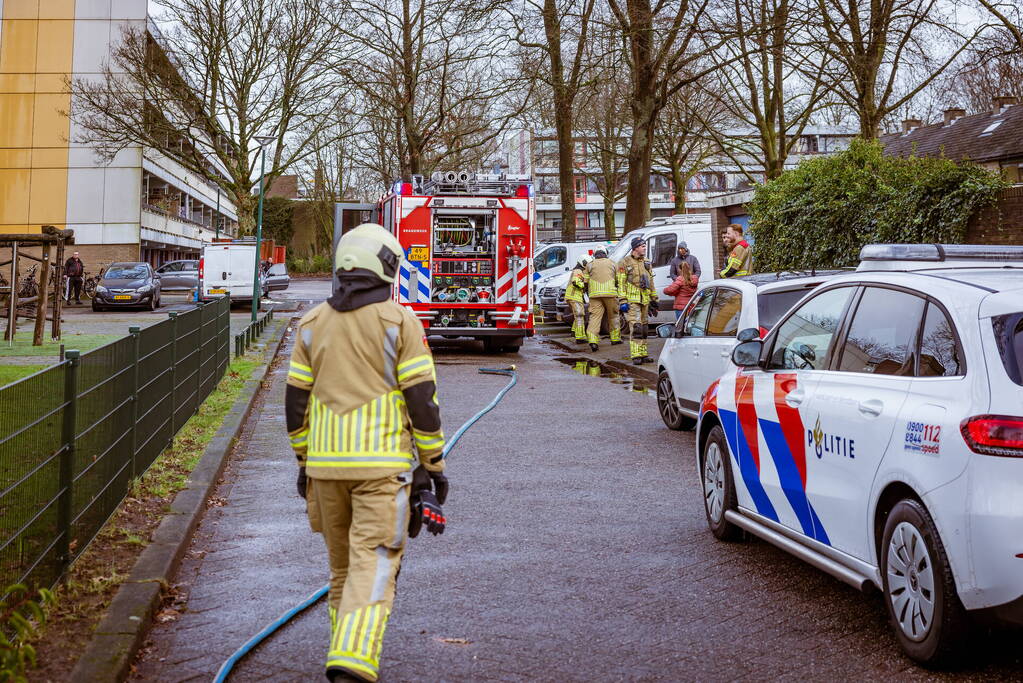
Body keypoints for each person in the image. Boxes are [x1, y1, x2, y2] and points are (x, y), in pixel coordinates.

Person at [286, 223, 448, 683]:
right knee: (374, 562)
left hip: (324, 470)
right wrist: (432, 465)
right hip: (381, 469)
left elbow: (295, 404)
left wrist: (304, 464)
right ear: (385, 267)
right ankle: (353, 662)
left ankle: (345, 649)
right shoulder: (400, 321)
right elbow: (422, 399)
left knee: (342, 570)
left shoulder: (312, 324)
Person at [617, 237, 657, 365]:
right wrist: (622, 301)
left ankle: (643, 354)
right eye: (642, 245)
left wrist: (654, 299)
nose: (645, 247)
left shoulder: (647, 262)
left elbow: (651, 282)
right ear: (635, 248)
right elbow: (621, 283)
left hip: (645, 300)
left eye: (645, 245)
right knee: (637, 328)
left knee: (645, 329)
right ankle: (636, 355)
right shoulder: (624, 262)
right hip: (632, 300)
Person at [584, 248, 622, 351]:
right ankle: (615, 338)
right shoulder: (613, 263)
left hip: (594, 295)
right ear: (605, 253)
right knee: (613, 316)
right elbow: (619, 279)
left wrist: (588, 293)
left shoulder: (589, 265)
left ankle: (592, 341)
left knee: (594, 318)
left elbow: (585, 281)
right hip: (610, 293)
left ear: (595, 254)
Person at [565, 255, 591, 343]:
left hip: (572, 296)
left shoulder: (578, 270)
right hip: (574, 296)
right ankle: (580, 337)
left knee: (577, 314)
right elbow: (576, 281)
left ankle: (574, 331)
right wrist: (584, 286)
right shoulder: (578, 271)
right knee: (580, 315)